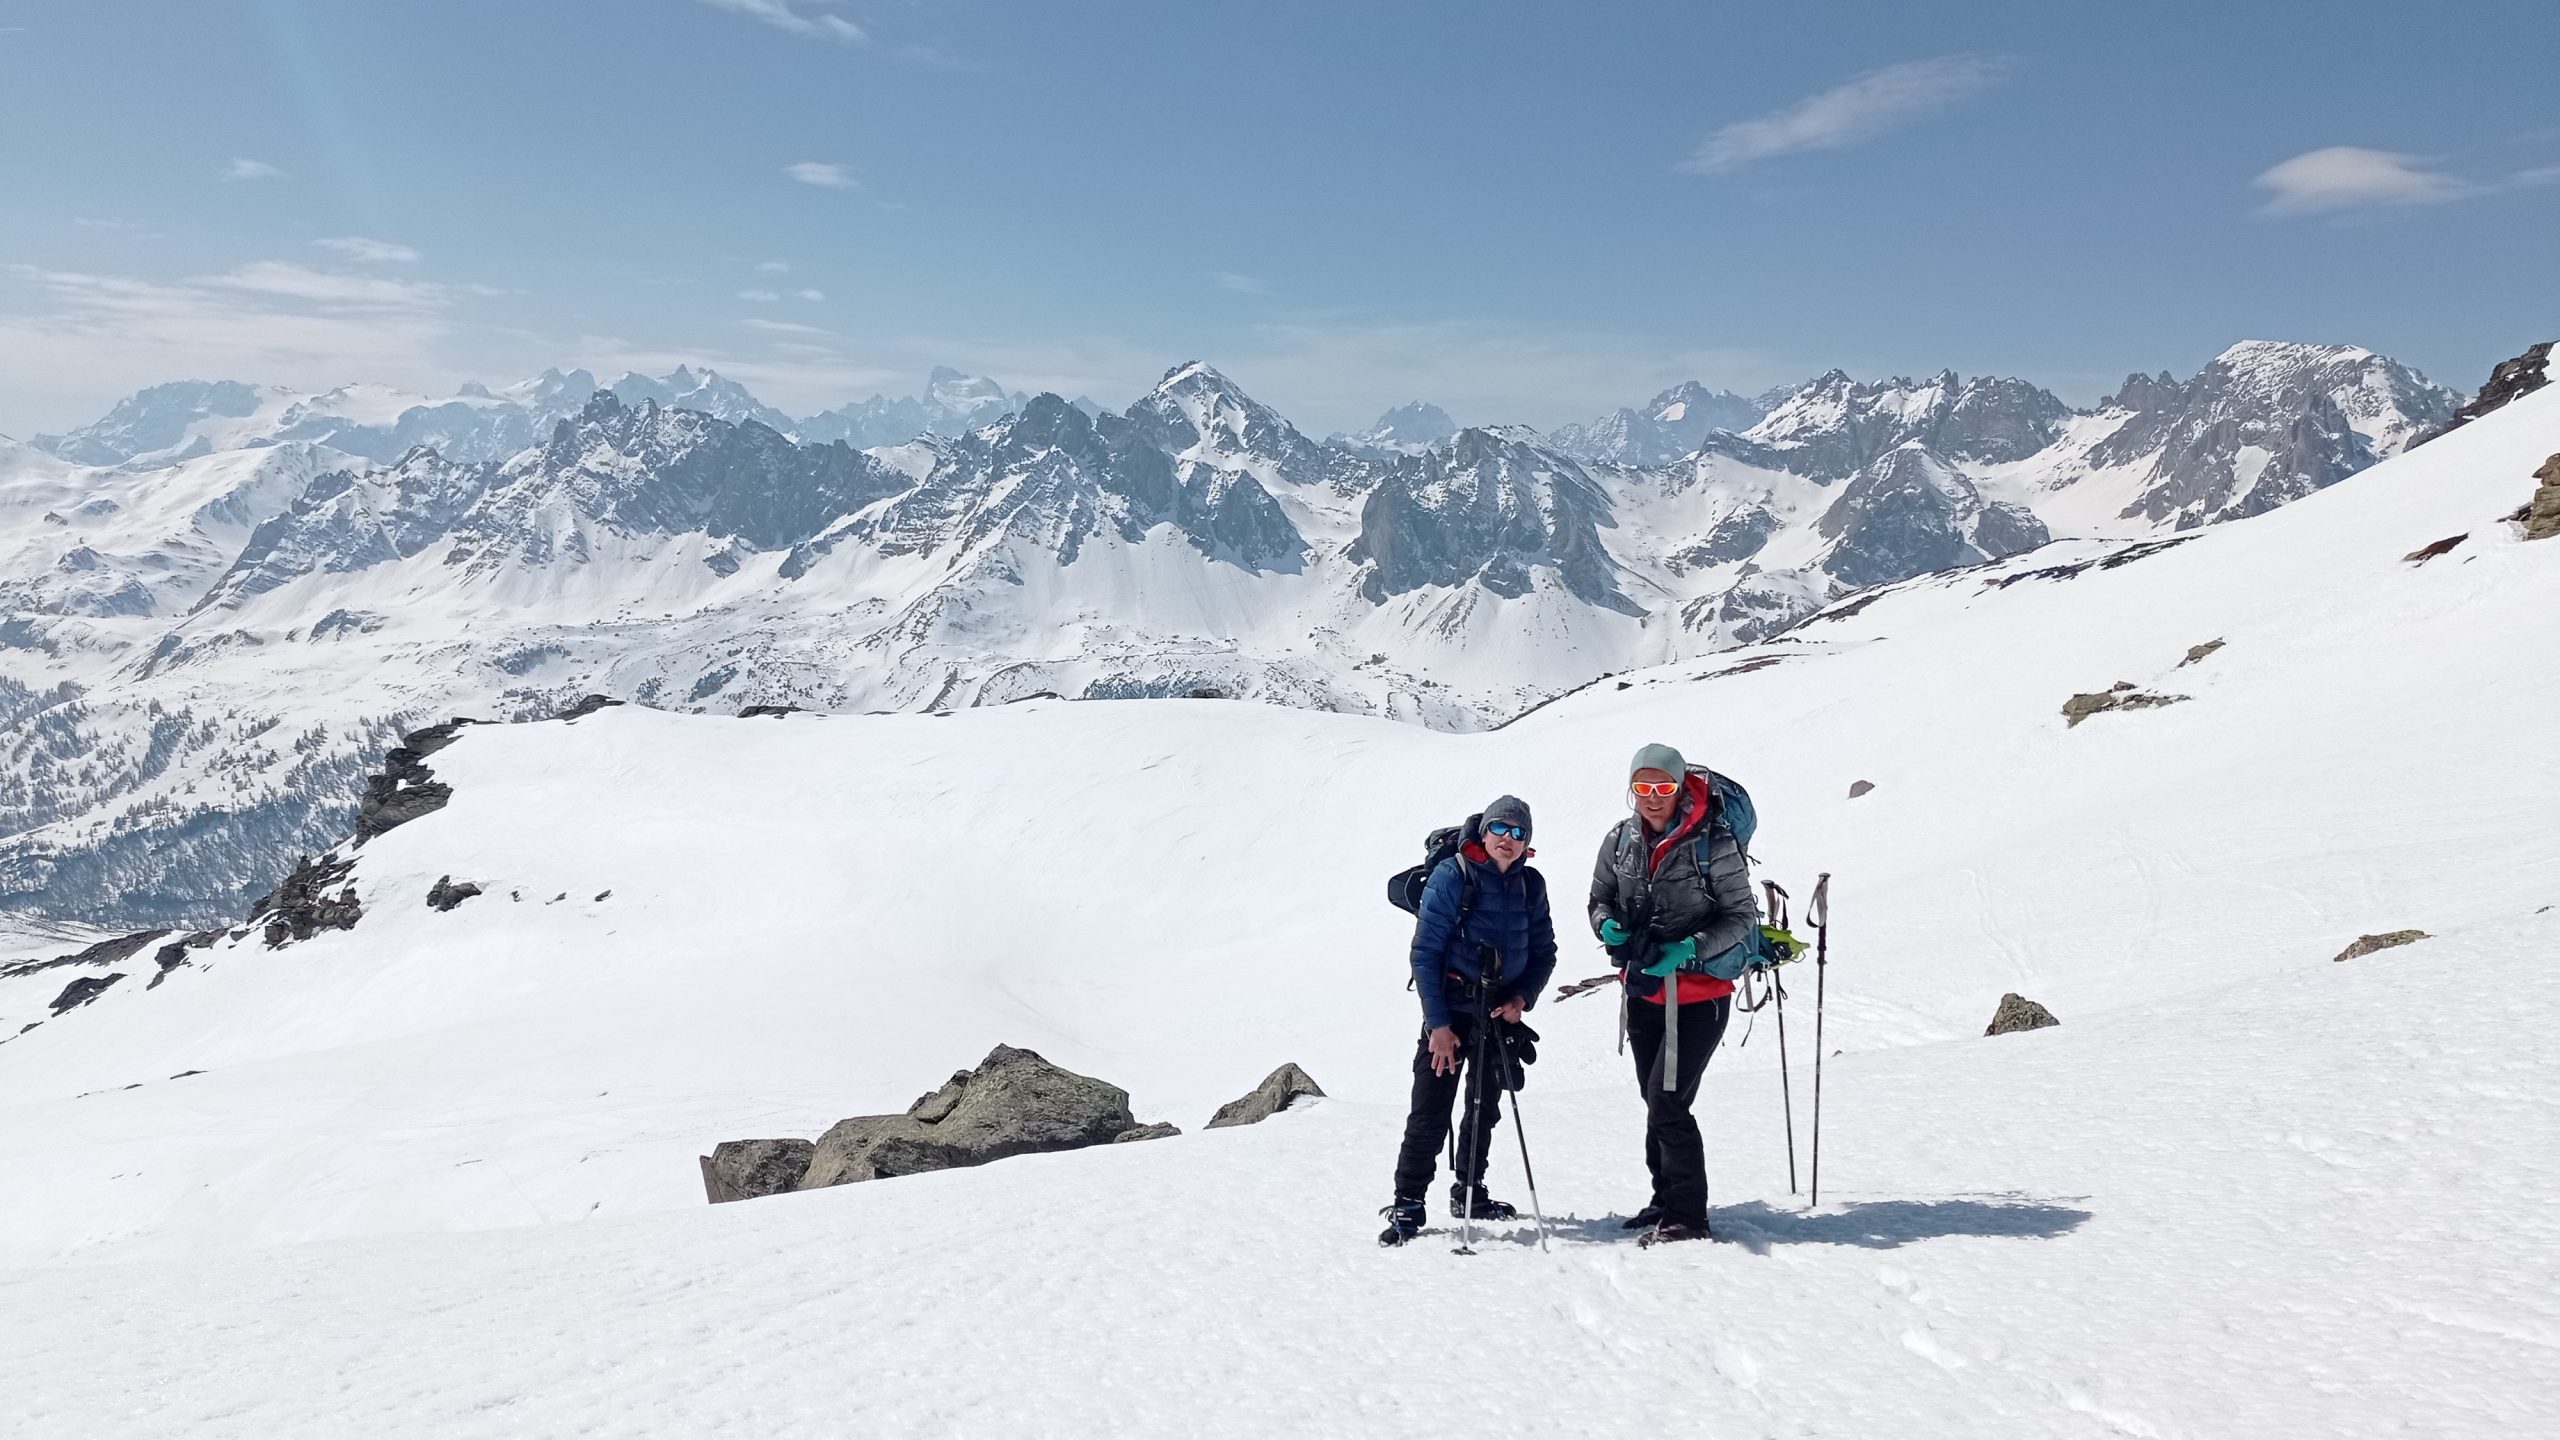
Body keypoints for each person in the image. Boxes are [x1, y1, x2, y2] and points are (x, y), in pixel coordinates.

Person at [1588, 742, 1759, 1244]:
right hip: (1644, 989)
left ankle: (1688, 1215)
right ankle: (1665, 1201)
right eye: (1642, 786)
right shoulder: (1620, 840)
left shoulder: (1714, 843)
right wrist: (1606, 925)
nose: (1653, 796)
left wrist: (1688, 949)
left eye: (1663, 785)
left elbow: (1741, 917)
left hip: (1700, 994)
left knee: (1667, 1102)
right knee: (1655, 1098)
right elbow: (1599, 897)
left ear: (1680, 785)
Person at [1378, 795, 1558, 1247]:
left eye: (1518, 832)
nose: (1507, 839)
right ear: (1484, 830)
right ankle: (1408, 1203)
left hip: (1499, 1013)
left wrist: (1522, 998)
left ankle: (1471, 1191)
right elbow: (1425, 953)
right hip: (1452, 1010)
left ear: (1527, 842)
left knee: (1484, 1107)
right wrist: (1438, 1025)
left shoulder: (1530, 885)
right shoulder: (1452, 875)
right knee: (1430, 1110)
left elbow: (1544, 952)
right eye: (1500, 828)